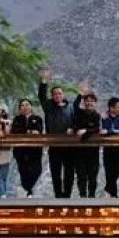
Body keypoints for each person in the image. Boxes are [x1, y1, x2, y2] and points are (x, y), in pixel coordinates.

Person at [38, 68, 79, 198]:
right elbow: (41, 96)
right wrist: (44, 81)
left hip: (69, 146)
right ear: (52, 96)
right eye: (55, 94)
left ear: (63, 95)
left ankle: (67, 195)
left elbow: (76, 121)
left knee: (69, 172)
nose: (58, 95)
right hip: (54, 145)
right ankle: (58, 195)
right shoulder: (49, 107)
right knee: (55, 172)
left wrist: (72, 128)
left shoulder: (71, 107)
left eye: (60, 93)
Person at [71, 81, 101, 198]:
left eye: (91, 101)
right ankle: (82, 196)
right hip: (79, 150)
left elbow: (97, 129)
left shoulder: (97, 116)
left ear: (95, 103)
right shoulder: (79, 113)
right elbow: (75, 106)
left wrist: (86, 131)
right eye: (87, 101)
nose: (89, 103)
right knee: (81, 175)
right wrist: (80, 93)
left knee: (93, 176)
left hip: (93, 150)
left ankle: (92, 196)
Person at [10, 98, 44, 197]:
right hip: (20, 150)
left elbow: (39, 129)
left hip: (35, 149)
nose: (25, 107)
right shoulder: (17, 119)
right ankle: (28, 193)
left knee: (37, 171)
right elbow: (15, 131)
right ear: (20, 108)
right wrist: (28, 131)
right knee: (24, 172)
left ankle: (24, 189)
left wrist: (30, 131)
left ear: (31, 107)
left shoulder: (37, 118)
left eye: (27, 105)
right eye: (22, 105)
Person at [101, 97, 119, 198]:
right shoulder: (103, 117)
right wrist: (104, 125)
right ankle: (114, 195)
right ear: (111, 108)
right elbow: (101, 130)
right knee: (109, 172)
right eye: (118, 107)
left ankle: (108, 188)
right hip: (108, 148)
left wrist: (109, 131)